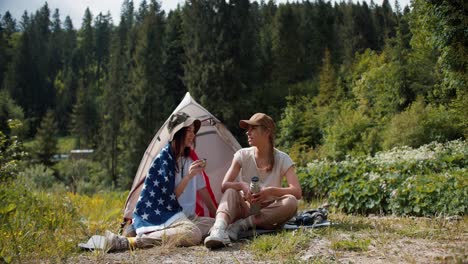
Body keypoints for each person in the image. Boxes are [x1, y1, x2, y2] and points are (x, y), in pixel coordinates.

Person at [105, 112, 216, 251]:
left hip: (183, 216)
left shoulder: (190, 161)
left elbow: (204, 193)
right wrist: (188, 177)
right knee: (192, 233)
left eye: (194, 131)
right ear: (178, 132)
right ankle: (130, 241)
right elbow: (169, 198)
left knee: (214, 224)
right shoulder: (164, 160)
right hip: (166, 214)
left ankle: (145, 233)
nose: (192, 135)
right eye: (188, 130)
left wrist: (219, 217)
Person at [204, 113, 302, 249]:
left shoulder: (282, 158)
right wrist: (242, 185)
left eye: (253, 128)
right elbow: (224, 185)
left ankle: (241, 225)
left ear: (267, 132)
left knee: (291, 201)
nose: (248, 133)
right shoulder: (242, 154)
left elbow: (297, 192)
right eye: (248, 129)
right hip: (246, 207)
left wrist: (270, 191)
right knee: (231, 190)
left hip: (269, 213)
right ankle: (218, 229)